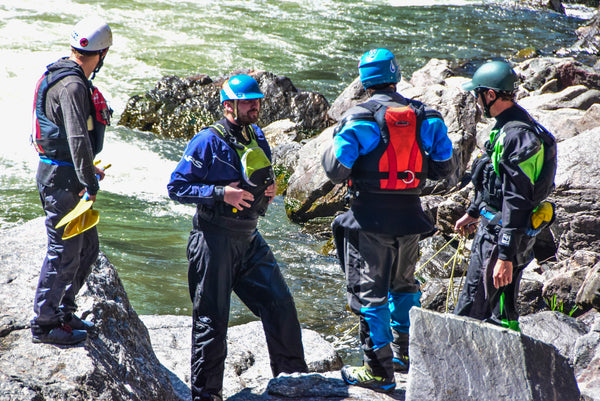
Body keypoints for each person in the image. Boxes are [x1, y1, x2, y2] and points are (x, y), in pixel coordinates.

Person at [167, 74, 308, 401]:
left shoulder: (257, 134)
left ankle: (294, 384)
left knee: (281, 305)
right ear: (229, 106)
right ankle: (206, 396)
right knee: (212, 322)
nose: (256, 106)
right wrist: (220, 193)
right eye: (248, 101)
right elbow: (176, 187)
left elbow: (262, 176)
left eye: (257, 100)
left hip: (249, 239)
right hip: (213, 240)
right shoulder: (206, 141)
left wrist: (270, 190)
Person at [321, 48, 455, 393]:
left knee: (369, 294)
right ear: (396, 75)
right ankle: (403, 356)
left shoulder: (359, 118)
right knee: (404, 285)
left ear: (365, 81)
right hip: (411, 218)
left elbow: (336, 171)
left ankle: (378, 371)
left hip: (369, 219)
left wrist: (332, 143)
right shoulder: (426, 116)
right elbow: (445, 168)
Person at [453, 60, 557, 331]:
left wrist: (505, 255)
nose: (476, 101)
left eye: (478, 94)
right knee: (501, 307)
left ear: (490, 95)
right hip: (501, 230)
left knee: (471, 313)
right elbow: (492, 177)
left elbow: (516, 199)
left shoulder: (516, 136)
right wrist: (474, 212)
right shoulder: (509, 124)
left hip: (501, 236)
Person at [30, 16, 113, 345]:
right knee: (63, 252)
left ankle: (63, 309)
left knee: (87, 249)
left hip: (65, 175)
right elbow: (78, 139)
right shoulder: (75, 85)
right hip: (62, 182)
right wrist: (89, 185)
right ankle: (44, 324)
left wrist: (87, 173)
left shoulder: (62, 71)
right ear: (102, 53)